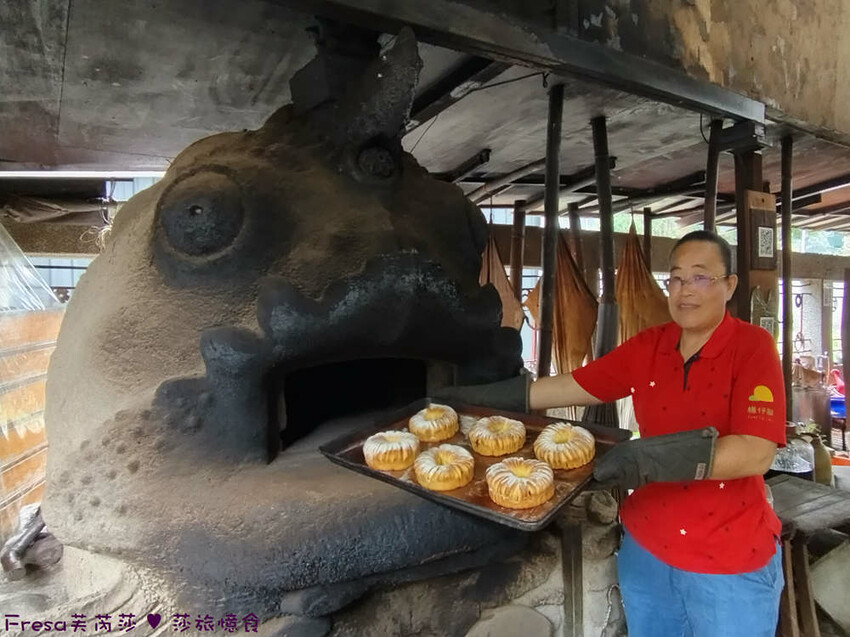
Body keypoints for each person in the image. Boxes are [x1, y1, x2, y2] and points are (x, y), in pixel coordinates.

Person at [440, 230, 785, 636]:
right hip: (648, 547)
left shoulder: (752, 347)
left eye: (700, 277)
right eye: (675, 278)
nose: (685, 290)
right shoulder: (650, 346)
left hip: (728, 558)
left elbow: (756, 452)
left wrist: (644, 458)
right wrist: (473, 399)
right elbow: (574, 385)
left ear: (729, 285)